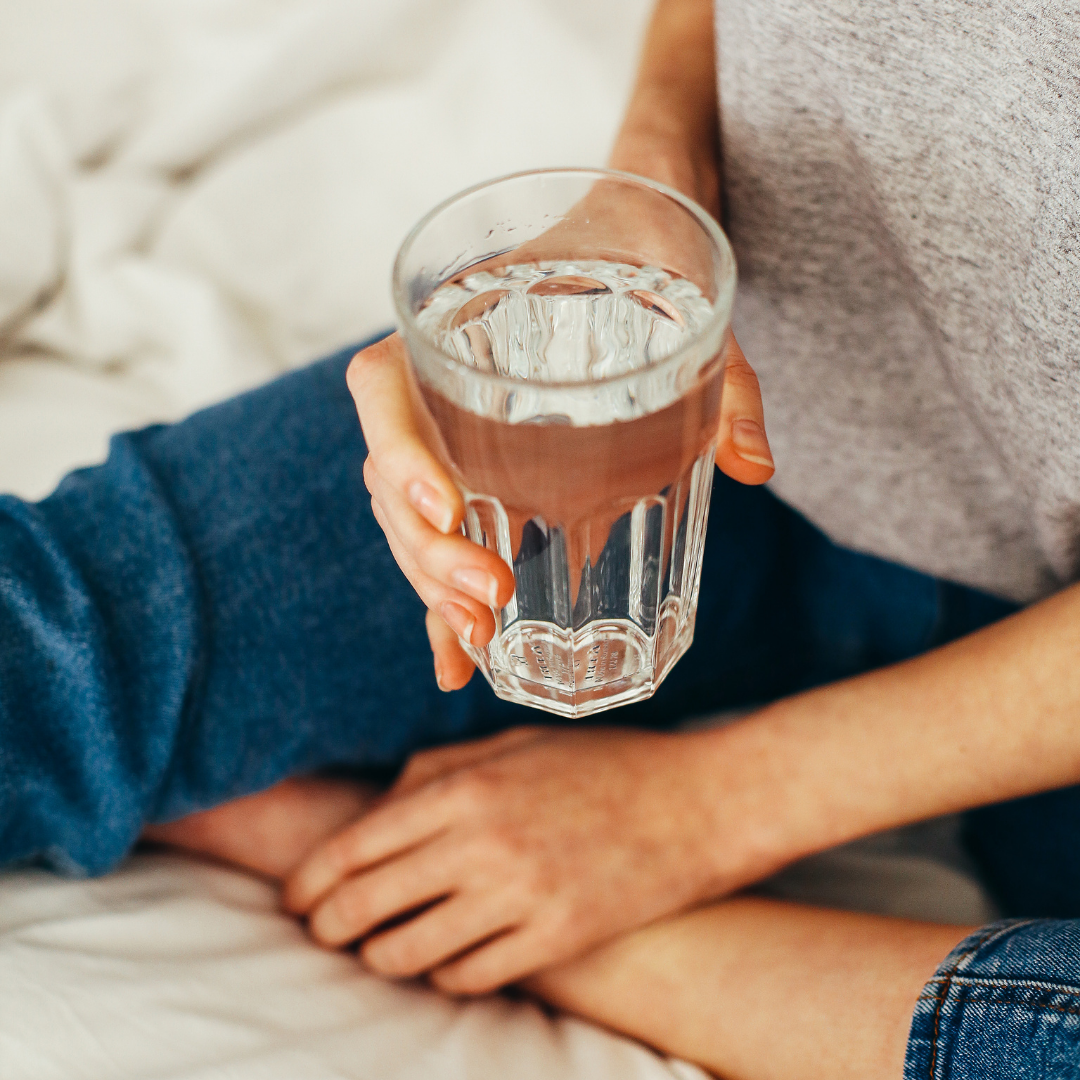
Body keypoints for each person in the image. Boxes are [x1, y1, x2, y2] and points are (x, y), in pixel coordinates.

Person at [2, 0, 1078, 1076]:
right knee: (47, 646)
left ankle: (473, 899)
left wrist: (705, 812)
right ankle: (473, 886)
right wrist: (652, 184)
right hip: (723, 406)